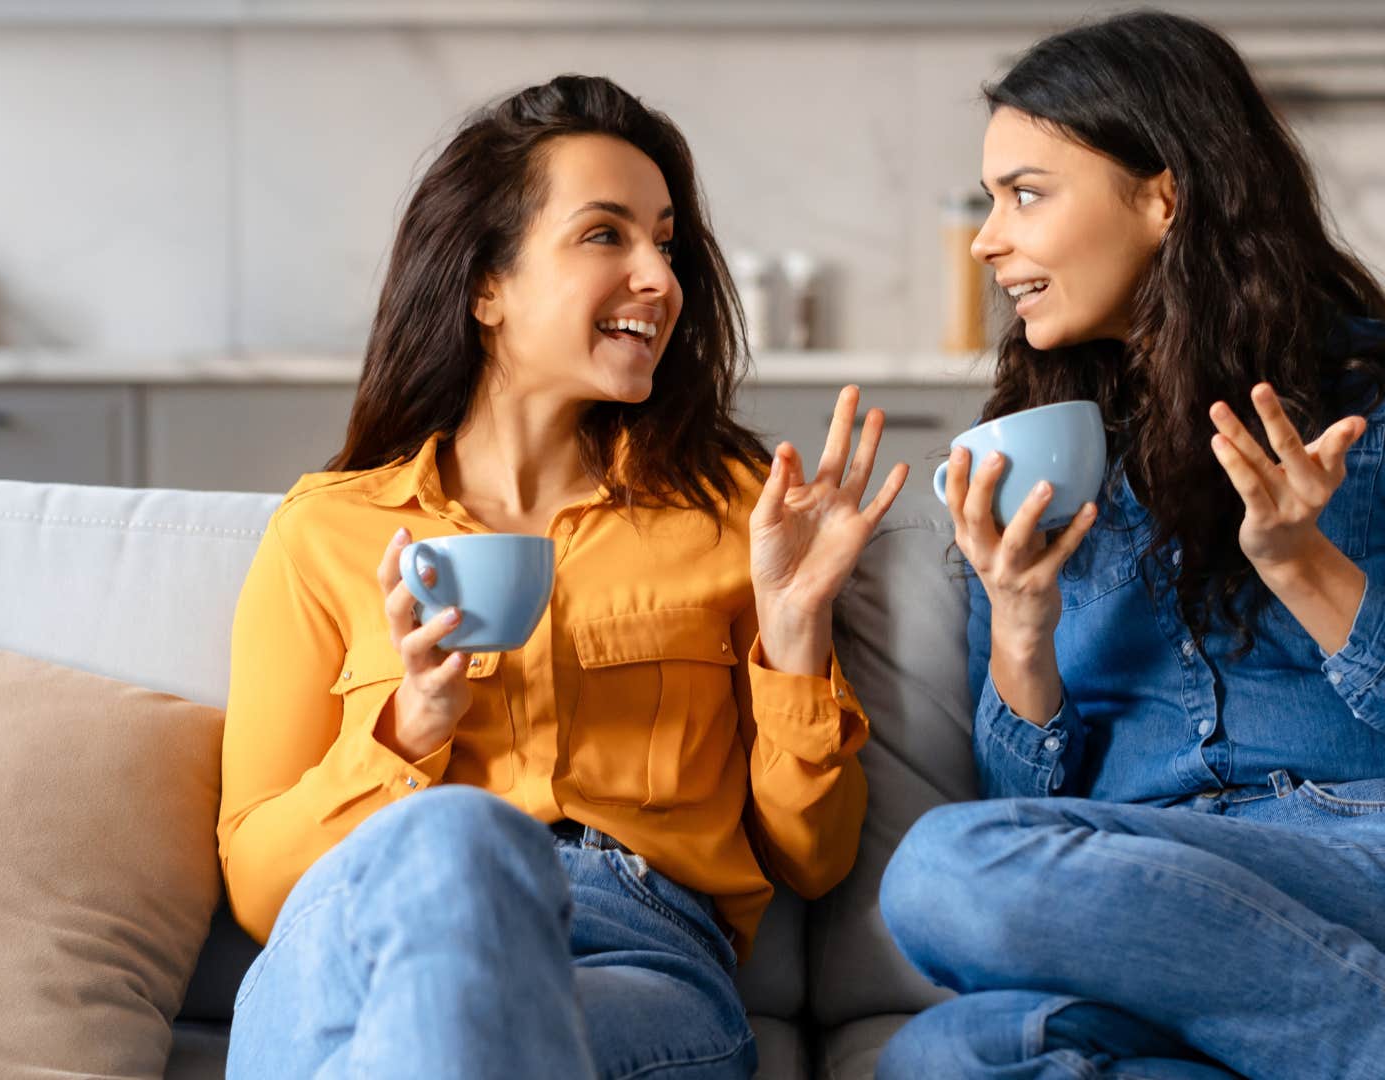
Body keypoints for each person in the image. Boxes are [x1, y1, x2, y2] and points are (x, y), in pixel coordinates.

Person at [876, 12, 1385, 1080]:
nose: (987, 238)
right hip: (1150, 891)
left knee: (940, 874)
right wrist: (1021, 624)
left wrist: (1306, 567)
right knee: (947, 1054)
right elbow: (1025, 809)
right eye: (990, 201)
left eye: (1025, 193)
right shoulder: (1038, 437)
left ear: (1163, 196)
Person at [218, 74, 906, 1079]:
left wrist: (796, 634)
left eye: (665, 243)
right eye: (606, 236)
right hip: (349, 946)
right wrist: (409, 731)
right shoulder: (326, 532)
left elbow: (813, 858)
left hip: (633, 959)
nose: (660, 278)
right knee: (453, 840)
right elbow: (259, 888)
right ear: (484, 287)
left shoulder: (734, 514)